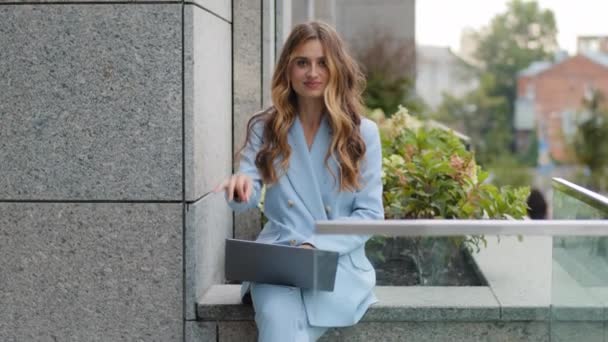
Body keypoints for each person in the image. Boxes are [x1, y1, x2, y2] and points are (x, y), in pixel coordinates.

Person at [215, 21, 384, 341]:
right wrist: (240, 189)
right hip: (278, 263)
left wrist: (315, 246)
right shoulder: (265, 127)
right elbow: (247, 194)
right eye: (302, 62)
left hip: (337, 265)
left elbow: (370, 215)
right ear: (287, 69)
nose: (312, 72)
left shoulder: (362, 134)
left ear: (337, 68)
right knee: (279, 321)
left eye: (322, 63)